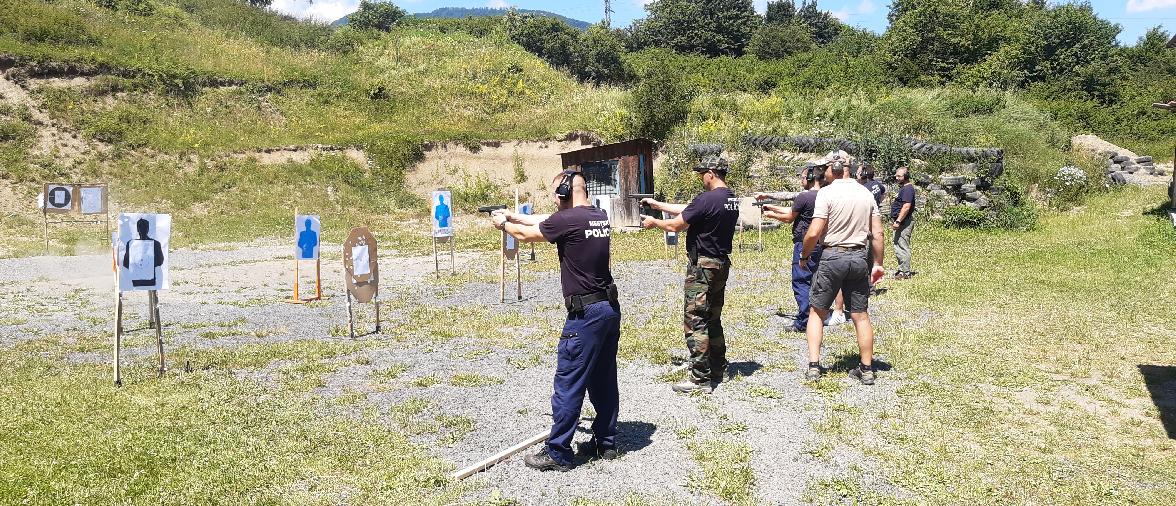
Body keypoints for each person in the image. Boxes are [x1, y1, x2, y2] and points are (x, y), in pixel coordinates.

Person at [491, 170, 621, 472]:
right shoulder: (597, 215)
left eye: (556, 193)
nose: (554, 199)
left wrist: (504, 224)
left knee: (569, 381)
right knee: (603, 379)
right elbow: (547, 221)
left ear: (565, 192)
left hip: (584, 316)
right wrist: (515, 215)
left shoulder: (568, 220)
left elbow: (529, 234)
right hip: (608, 309)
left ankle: (559, 452)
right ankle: (606, 442)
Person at [640, 156, 739, 394]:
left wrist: (654, 222)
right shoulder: (731, 198)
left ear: (712, 173)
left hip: (702, 267)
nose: (701, 178)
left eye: (703, 173)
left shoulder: (707, 198)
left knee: (695, 320)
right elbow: (690, 211)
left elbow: (676, 225)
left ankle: (700, 379)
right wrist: (659, 205)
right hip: (720, 264)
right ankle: (717, 368)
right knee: (712, 318)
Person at [799, 159, 886, 385]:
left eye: (824, 169)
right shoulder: (865, 193)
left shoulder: (826, 194)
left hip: (832, 256)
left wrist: (805, 255)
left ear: (832, 170)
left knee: (817, 312)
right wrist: (878, 263)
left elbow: (814, 231)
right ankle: (866, 369)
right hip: (858, 256)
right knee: (860, 315)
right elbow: (878, 234)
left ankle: (814, 367)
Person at [757, 163, 824, 332]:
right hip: (821, 243)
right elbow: (795, 210)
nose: (801, 180)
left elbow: (789, 217)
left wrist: (770, 214)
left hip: (804, 243)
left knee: (801, 281)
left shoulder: (804, 196)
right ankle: (817, 316)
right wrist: (772, 206)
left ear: (810, 178)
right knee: (816, 281)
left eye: (802, 177)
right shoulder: (825, 195)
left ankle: (803, 321)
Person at [890, 166, 916, 280]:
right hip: (901, 221)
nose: (896, 177)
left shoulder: (908, 189)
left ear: (906, 177)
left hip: (904, 222)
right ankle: (902, 269)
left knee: (902, 245)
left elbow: (906, 207)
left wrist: (898, 221)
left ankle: (905, 272)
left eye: (899, 176)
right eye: (896, 175)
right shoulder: (904, 188)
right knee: (898, 244)